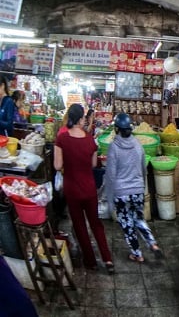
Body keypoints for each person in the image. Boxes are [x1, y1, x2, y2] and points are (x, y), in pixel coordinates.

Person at [54, 104, 114, 273]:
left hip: (72, 188)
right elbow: (94, 164)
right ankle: (107, 259)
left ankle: (90, 261)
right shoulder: (89, 139)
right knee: (96, 224)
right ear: (81, 119)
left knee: (79, 225)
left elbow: (57, 166)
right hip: (88, 188)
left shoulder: (62, 138)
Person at [103, 113, 163, 263]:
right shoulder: (137, 144)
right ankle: (152, 243)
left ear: (117, 129)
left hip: (121, 192)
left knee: (127, 223)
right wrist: (140, 186)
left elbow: (110, 176)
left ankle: (137, 254)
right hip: (137, 190)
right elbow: (143, 169)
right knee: (139, 219)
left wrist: (110, 201)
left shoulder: (114, 147)